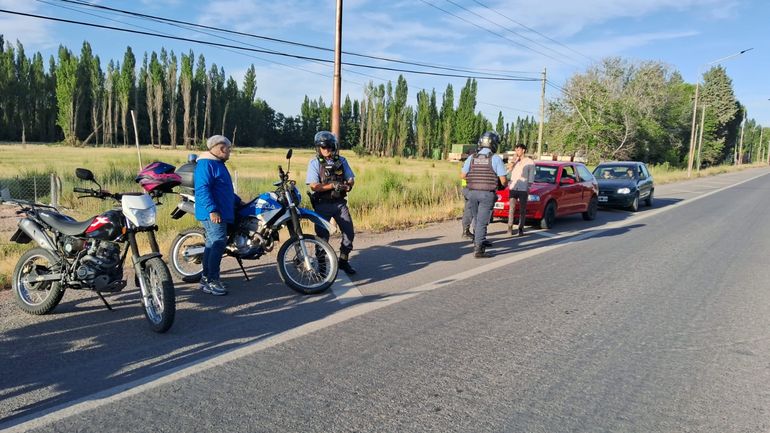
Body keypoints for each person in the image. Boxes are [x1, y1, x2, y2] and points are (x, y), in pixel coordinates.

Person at [194, 135, 243, 296]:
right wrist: (212, 210)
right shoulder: (206, 164)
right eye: (228, 149)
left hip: (220, 211)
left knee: (211, 244)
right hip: (214, 213)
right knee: (218, 244)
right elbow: (202, 189)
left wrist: (238, 201)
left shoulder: (217, 164)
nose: (229, 152)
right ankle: (212, 281)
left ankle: (206, 278)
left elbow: (224, 190)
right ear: (221, 148)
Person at [306, 131, 357, 275]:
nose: (327, 150)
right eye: (323, 147)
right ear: (318, 148)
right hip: (322, 204)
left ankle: (343, 261)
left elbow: (351, 177)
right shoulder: (314, 163)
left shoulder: (342, 161)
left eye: (329, 147)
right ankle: (322, 266)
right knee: (322, 237)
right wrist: (332, 185)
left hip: (340, 204)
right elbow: (314, 186)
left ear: (333, 146)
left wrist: (349, 184)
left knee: (349, 233)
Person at [461, 131, 508, 258]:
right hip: (486, 194)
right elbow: (503, 180)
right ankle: (479, 250)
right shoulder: (495, 158)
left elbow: (463, 175)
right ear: (493, 144)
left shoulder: (472, 157)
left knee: (477, 219)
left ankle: (479, 240)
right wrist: (504, 185)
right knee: (482, 221)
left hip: (472, 193)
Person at [506, 143, 535, 237]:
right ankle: (509, 228)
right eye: (516, 150)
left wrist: (529, 187)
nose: (517, 152)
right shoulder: (514, 161)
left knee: (522, 209)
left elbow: (531, 176)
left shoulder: (529, 162)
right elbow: (508, 171)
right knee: (511, 208)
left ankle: (521, 228)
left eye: (518, 150)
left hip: (523, 188)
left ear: (523, 150)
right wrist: (513, 161)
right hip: (513, 187)